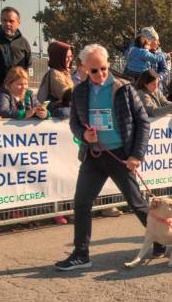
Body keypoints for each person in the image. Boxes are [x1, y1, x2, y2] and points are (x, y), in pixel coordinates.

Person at [55, 44, 164, 270]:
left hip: (121, 156)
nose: (100, 74)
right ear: (84, 68)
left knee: (137, 202)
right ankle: (81, 254)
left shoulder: (123, 88)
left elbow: (143, 122)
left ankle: (161, 239)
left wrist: (136, 155)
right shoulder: (79, 91)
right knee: (82, 203)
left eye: (104, 68)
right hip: (93, 156)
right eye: (94, 70)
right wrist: (83, 134)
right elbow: (74, 122)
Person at [37, 41, 74, 118]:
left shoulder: (65, 72)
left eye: (71, 56)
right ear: (58, 57)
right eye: (67, 57)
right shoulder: (55, 73)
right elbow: (66, 95)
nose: (70, 59)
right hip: (55, 111)